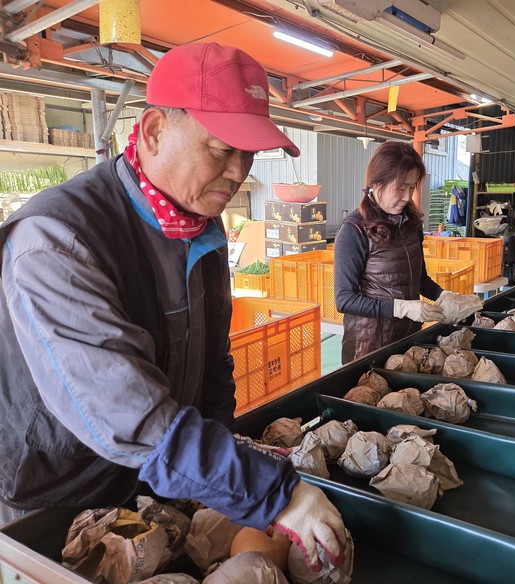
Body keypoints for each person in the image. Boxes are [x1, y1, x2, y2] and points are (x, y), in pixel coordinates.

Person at [0, 42, 346, 573]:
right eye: (222, 149)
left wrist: (217, 469)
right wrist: (272, 493)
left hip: (144, 482)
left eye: (249, 153)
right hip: (51, 500)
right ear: (156, 130)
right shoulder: (58, 241)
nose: (238, 171)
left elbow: (213, 363)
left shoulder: (200, 230)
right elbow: (127, 414)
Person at [334, 141, 450, 364]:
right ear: (377, 183)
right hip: (369, 346)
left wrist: (443, 295)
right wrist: (402, 307)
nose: (407, 197)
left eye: (412, 187)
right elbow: (345, 300)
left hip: (408, 339)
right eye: (401, 188)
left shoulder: (411, 224)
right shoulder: (354, 229)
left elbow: (419, 279)